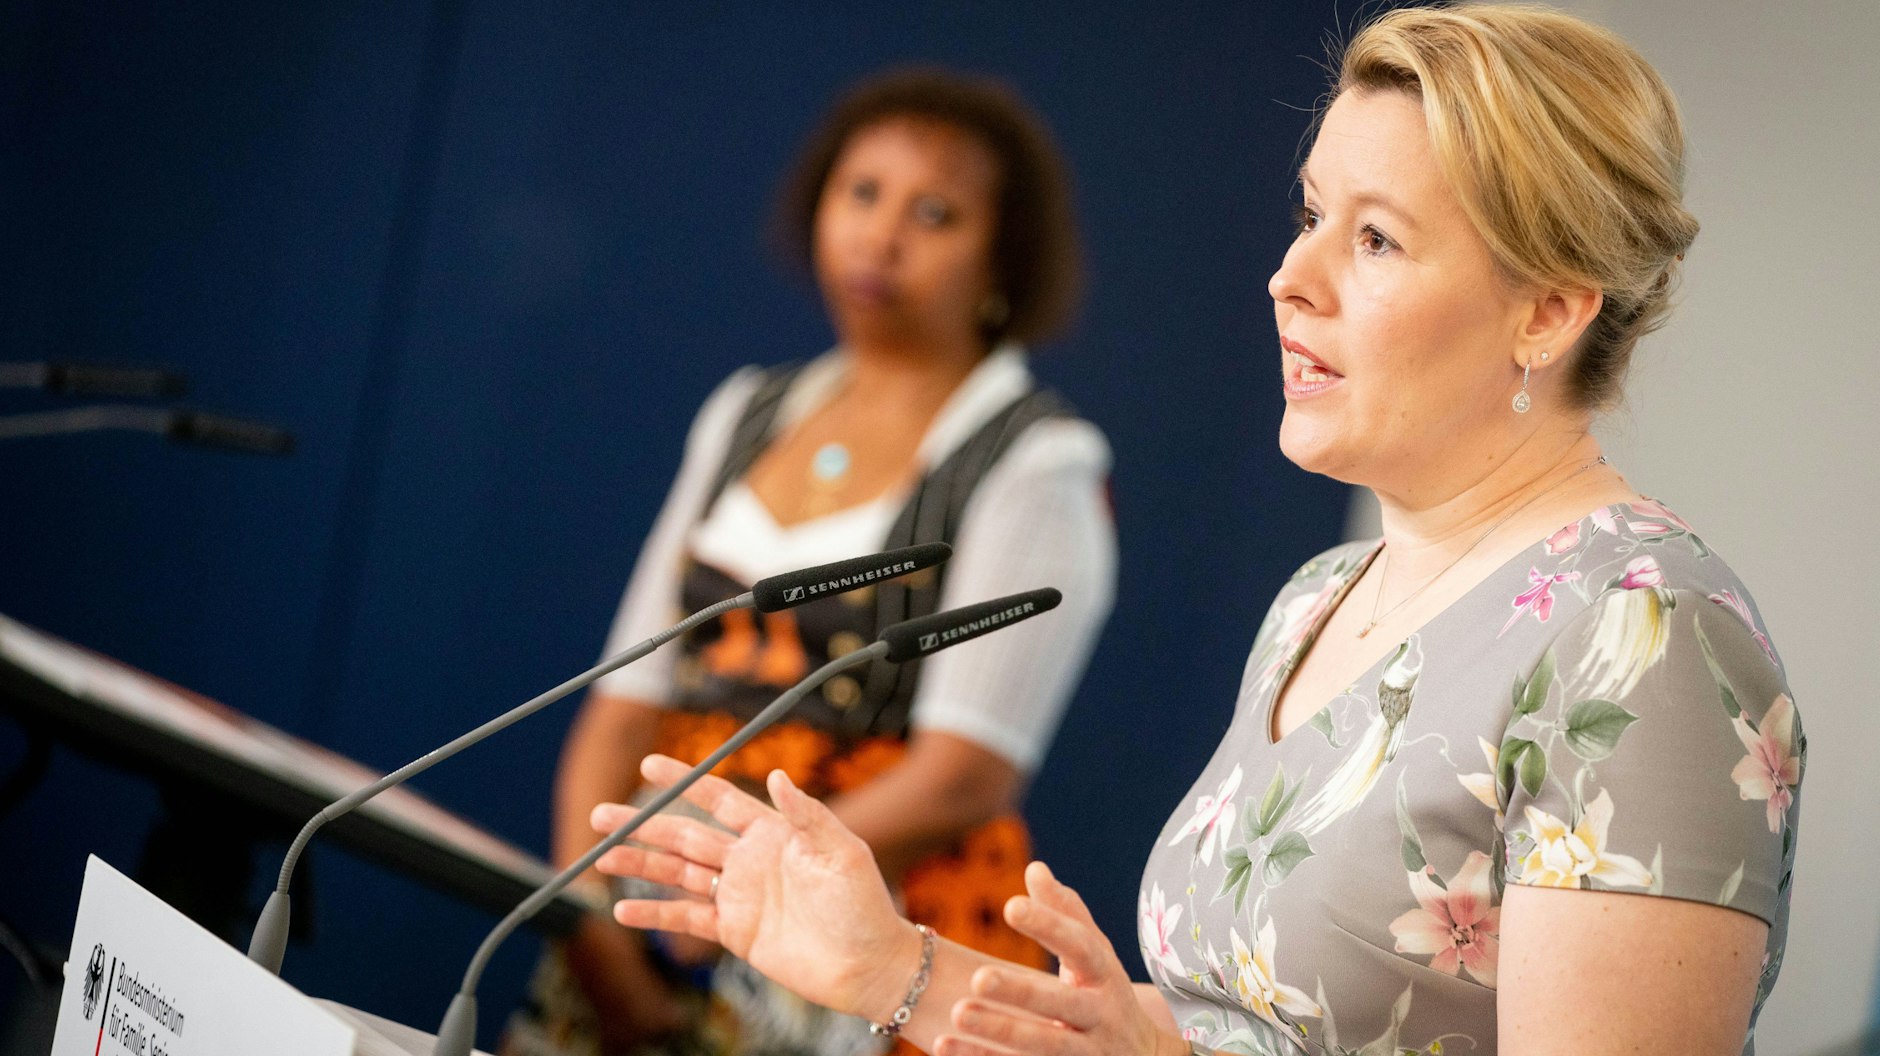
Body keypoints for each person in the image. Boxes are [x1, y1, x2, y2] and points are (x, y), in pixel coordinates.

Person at [585, 6, 1805, 1056]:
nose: (1290, 274)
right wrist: (886, 964)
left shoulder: (1645, 640)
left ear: (1545, 312)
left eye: (1373, 238)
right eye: (1311, 213)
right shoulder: (1319, 598)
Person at [506, 68, 1118, 1056]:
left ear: (1002, 257)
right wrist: (585, 912)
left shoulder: (1036, 461)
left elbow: (961, 779)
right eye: (859, 192)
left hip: (862, 931)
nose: (881, 236)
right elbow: (620, 705)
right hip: (653, 909)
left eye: (933, 212)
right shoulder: (745, 409)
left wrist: (739, 892)